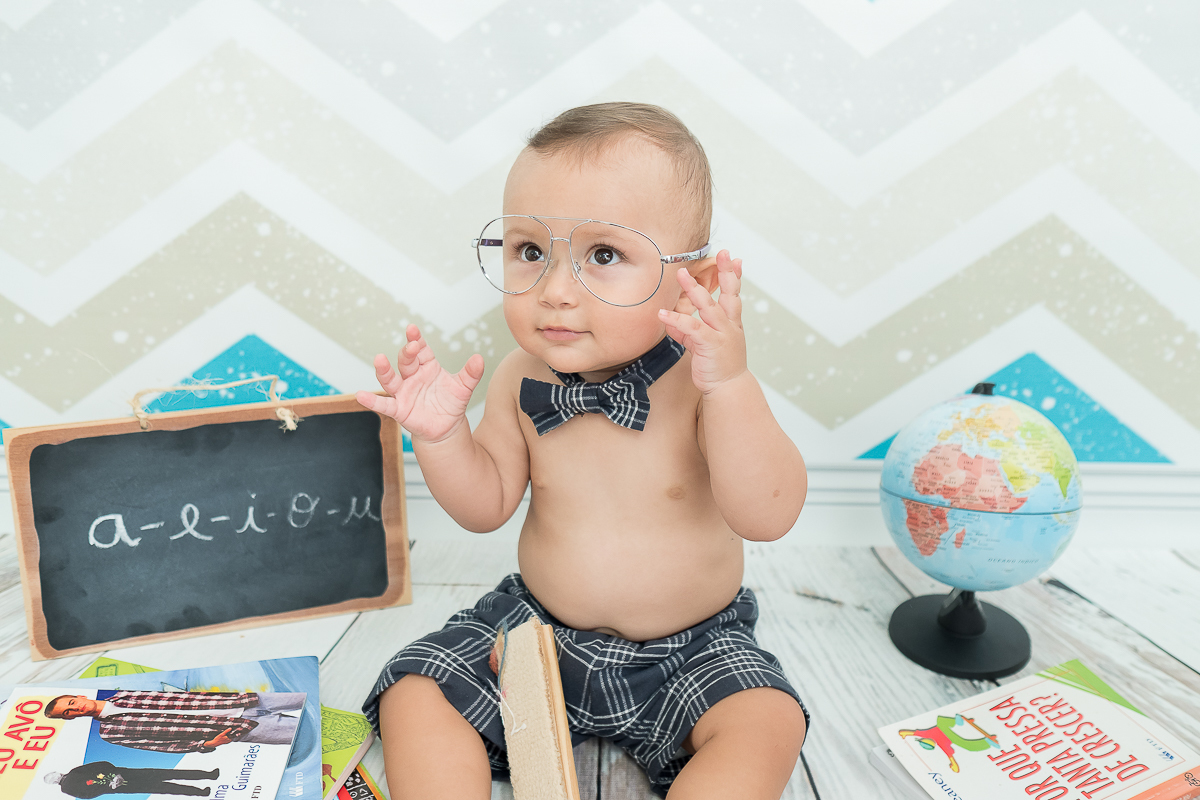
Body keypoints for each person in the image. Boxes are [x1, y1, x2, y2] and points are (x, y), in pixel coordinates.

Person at [357, 102, 809, 800]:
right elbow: (486, 507)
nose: (556, 291)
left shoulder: (703, 385)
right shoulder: (518, 377)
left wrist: (731, 384)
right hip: (536, 631)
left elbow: (767, 514)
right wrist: (443, 436)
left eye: (604, 255)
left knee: (768, 719)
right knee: (414, 690)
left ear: (702, 282)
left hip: (692, 648)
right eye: (530, 251)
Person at [44, 690, 304, 753]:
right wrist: (207, 744)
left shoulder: (125, 693)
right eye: (67, 713)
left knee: (309, 699)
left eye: (70, 703)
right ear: (70, 719)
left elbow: (180, 695)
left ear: (78, 697)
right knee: (310, 735)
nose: (75, 709)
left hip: (241, 702)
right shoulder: (110, 733)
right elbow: (158, 746)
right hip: (235, 729)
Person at [44, 762, 219, 798]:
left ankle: (206, 782)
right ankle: (205, 784)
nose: (57, 776)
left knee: (167, 781)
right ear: (54, 780)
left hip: (126, 779)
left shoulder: (72, 776)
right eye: (54, 777)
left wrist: (112, 780)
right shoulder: (69, 783)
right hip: (128, 779)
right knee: (168, 782)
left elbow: (100, 766)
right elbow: (88, 793)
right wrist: (110, 784)